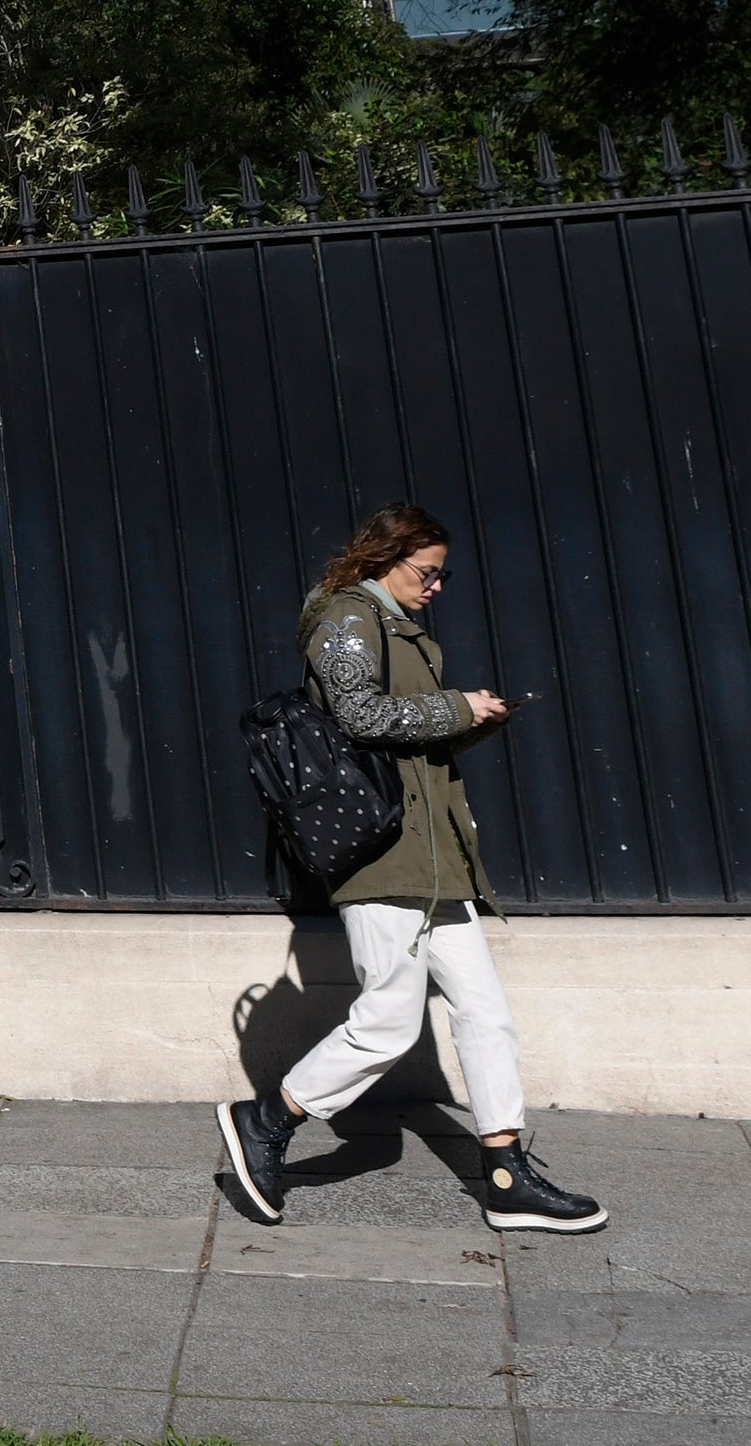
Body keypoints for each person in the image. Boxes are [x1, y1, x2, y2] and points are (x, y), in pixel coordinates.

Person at [217, 503, 607, 1233]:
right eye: (426, 571)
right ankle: (268, 1117)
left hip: (435, 855)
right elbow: (359, 715)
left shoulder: (401, 628)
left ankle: (503, 1169)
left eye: (441, 573)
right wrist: (455, 706)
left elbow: (404, 742)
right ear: (381, 558)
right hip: (381, 852)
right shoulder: (346, 618)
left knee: (486, 1011)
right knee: (389, 1023)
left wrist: (471, 723)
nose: (436, 586)